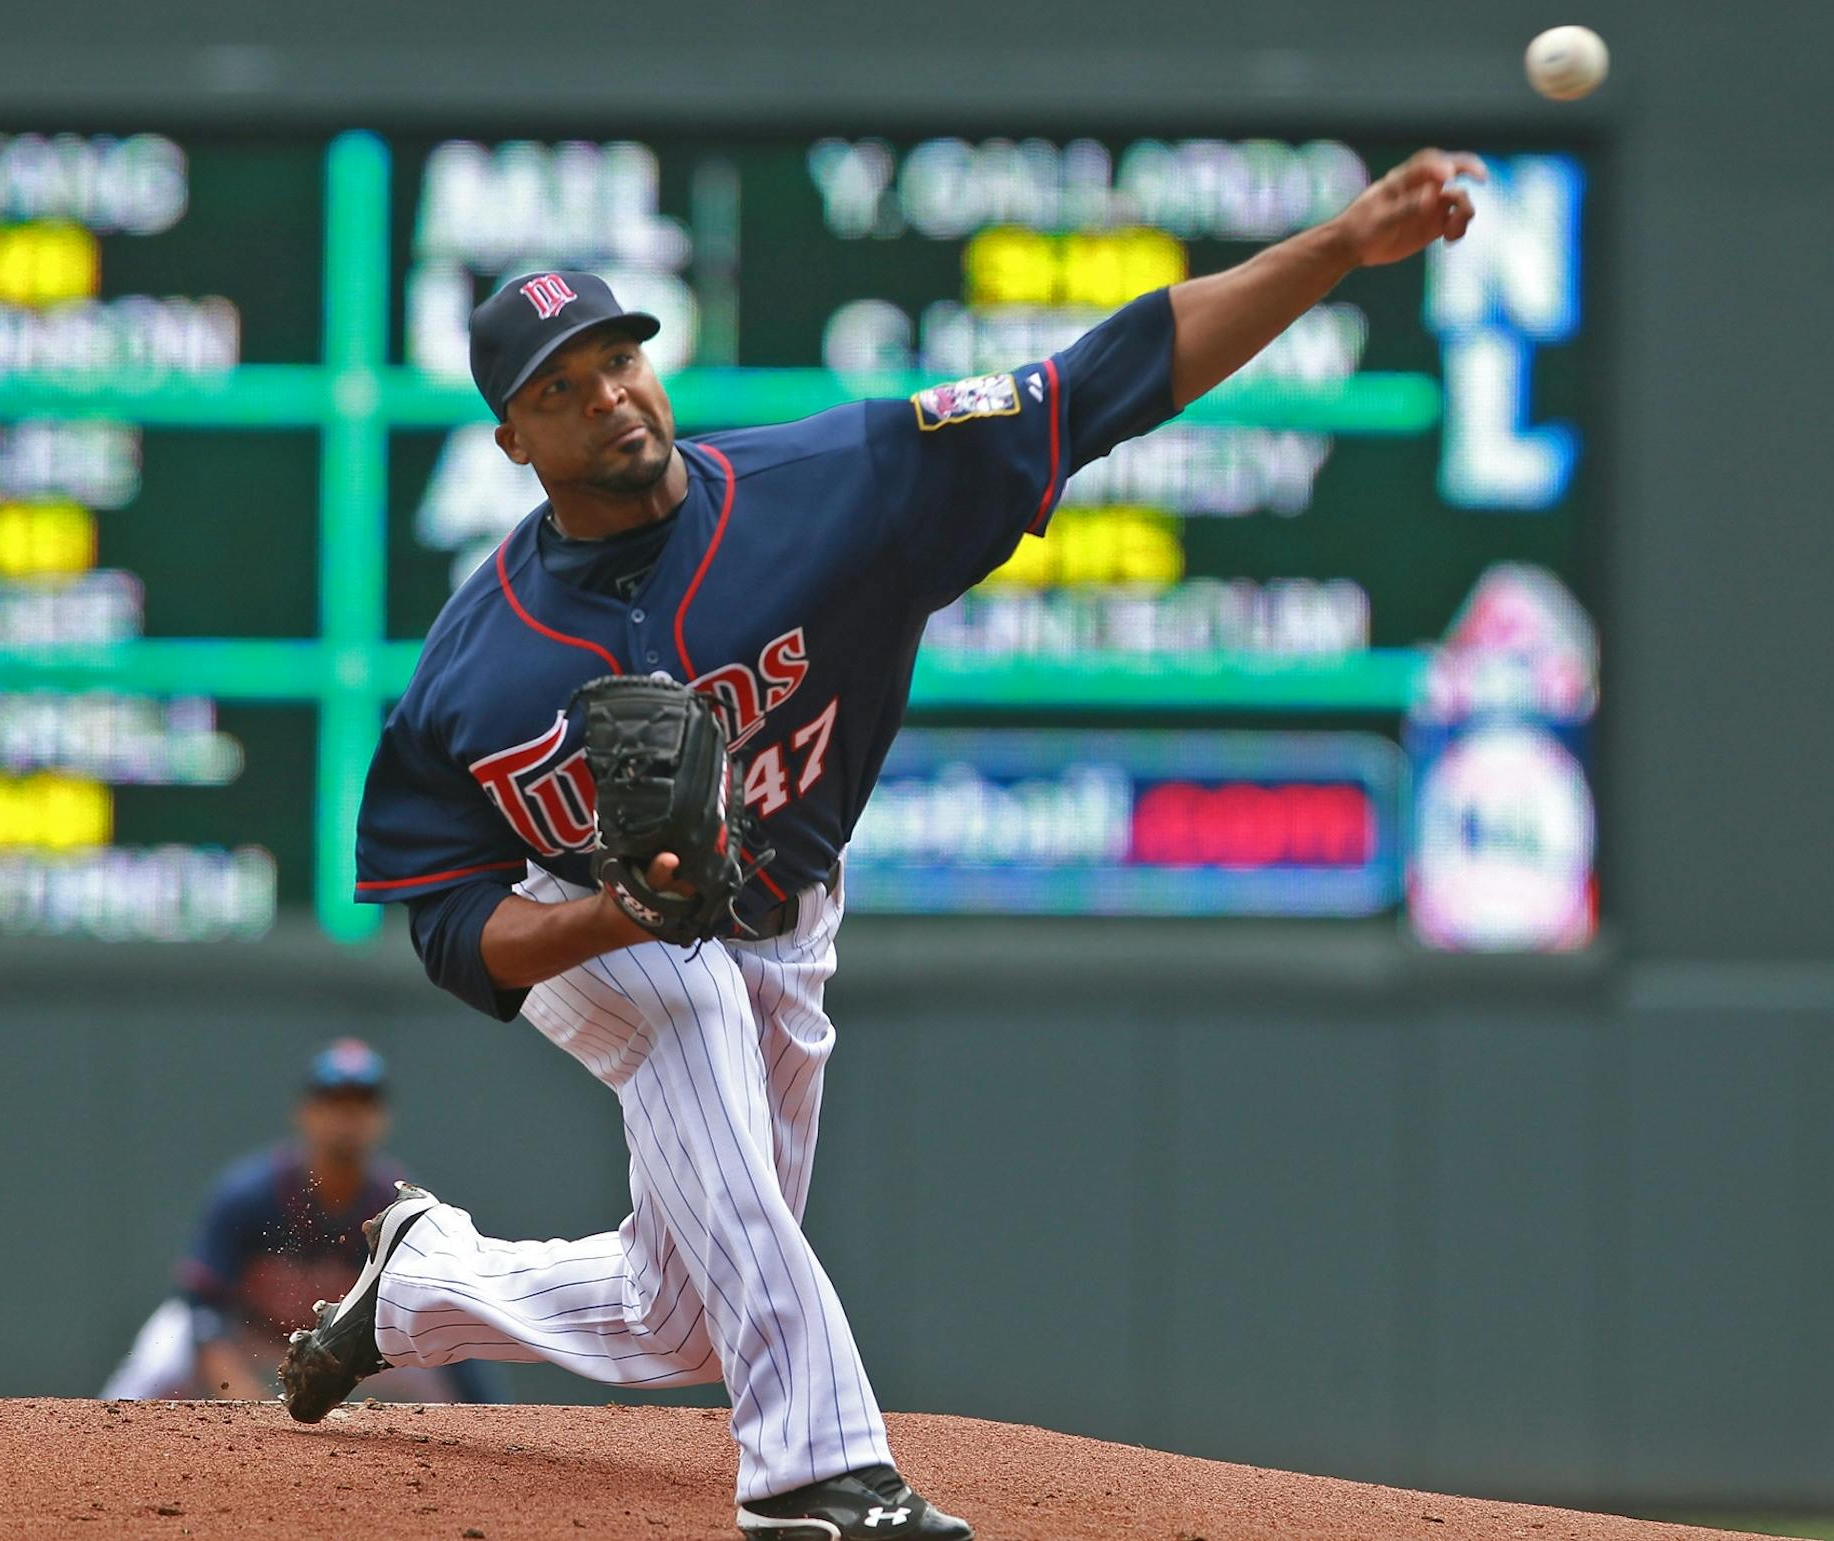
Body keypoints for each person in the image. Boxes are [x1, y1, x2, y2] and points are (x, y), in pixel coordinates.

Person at [281, 152, 1486, 1538]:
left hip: (786, 908)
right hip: (594, 922)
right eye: (559, 385)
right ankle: (816, 1477)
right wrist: (617, 913)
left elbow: (1105, 380)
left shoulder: (838, 485)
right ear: (512, 440)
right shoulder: (472, 675)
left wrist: (1337, 244)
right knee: (680, 1019)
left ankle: (422, 1283)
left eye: (617, 358)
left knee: (679, 1314)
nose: (607, 394)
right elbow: (447, 925)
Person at [101, 1037, 496, 1405]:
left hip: (351, 1344)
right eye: (333, 1100)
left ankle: (502, 1452)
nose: (346, 1116)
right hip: (248, 1332)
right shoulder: (250, 1195)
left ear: (381, 1117)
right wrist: (236, 1389)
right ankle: (100, 1445)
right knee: (160, 1353)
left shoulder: (397, 1207)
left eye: (360, 1102)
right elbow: (204, 1305)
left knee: (446, 1343)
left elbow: (441, 1317)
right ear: (305, 1112)